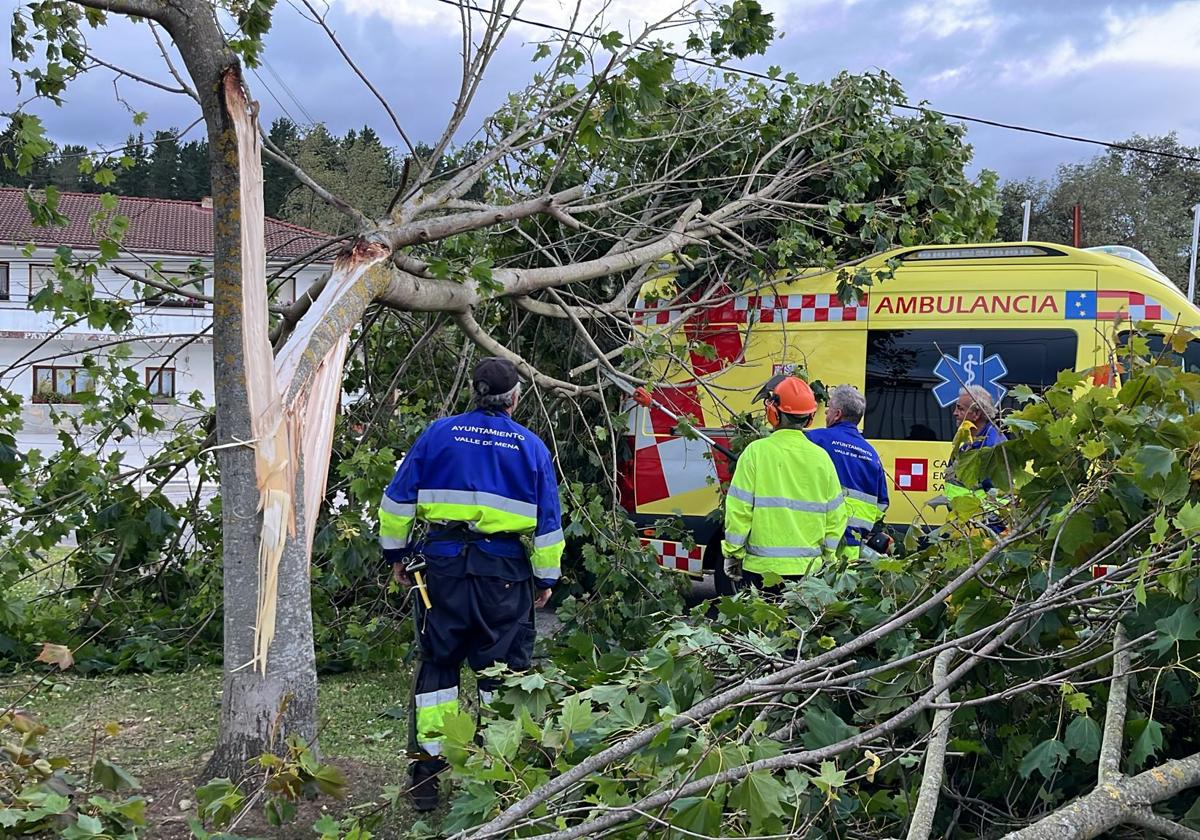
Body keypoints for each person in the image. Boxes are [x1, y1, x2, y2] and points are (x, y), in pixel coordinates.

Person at [377, 357, 564, 811]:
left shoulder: (438, 434)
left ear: (475, 394)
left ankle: (426, 777)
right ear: (514, 399)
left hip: (440, 571)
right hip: (503, 575)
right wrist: (545, 577)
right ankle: (497, 775)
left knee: (438, 668)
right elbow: (548, 525)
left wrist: (397, 556)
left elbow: (397, 502)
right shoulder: (531, 447)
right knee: (501, 672)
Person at [721, 375, 847, 589]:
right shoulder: (822, 459)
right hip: (808, 571)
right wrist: (828, 558)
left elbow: (739, 511)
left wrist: (733, 554)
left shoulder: (755, 453)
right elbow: (835, 516)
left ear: (773, 414)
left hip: (760, 571)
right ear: (809, 419)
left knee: (762, 622)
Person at [805, 385, 890, 559]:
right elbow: (882, 504)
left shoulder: (815, 439)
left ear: (837, 415)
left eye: (828, 411)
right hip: (850, 550)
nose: (826, 415)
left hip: (816, 543)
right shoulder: (872, 455)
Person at [941, 384, 1006, 504]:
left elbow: (1000, 499)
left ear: (976, 414)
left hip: (979, 519)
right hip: (963, 518)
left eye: (960, 409)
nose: (955, 413)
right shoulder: (970, 438)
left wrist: (983, 521)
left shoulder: (992, 447)